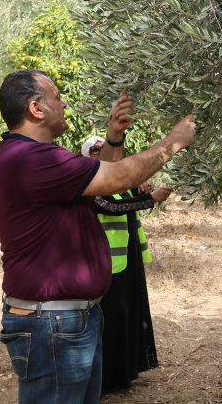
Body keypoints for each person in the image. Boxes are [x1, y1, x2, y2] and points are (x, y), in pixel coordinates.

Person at [0, 69, 195, 404]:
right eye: (56, 96)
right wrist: (173, 142)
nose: (64, 102)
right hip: (52, 324)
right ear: (36, 109)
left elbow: (98, 183)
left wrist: (114, 137)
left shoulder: (39, 157)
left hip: (68, 319)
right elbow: (117, 178)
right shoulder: (31, 160)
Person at [81, 137, 172, 395]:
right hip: (104, 264)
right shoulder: (91, 185)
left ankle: (125, 373)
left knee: (126, 316)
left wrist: (142, 188)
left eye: (104, 150)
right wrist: (150, 199)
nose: (101, 155)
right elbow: (113, 207)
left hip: (127, 261)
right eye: (95, 151)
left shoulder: (117, 182)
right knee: (109, 321)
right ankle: (107, 380)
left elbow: (129, 201)